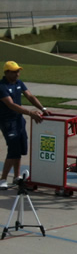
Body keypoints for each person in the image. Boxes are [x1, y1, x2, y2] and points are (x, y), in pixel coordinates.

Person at [0, 61, 50, 190]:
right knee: (13, 149)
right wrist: (30, 113)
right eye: (14, 72)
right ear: (6, 73)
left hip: (19, 120)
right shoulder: (2, 87)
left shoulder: (19, 83)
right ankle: (3, 179)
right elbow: (11, 105)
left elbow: (30, 96)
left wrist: (43, 109)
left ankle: (16, 177)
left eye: (18, 71)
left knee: (20, 149)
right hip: (8, 122)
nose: (17, 74)